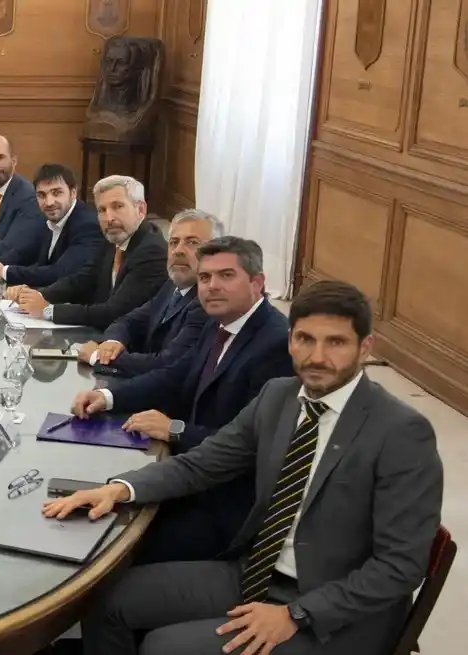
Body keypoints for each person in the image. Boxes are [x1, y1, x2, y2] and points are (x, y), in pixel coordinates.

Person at [46, 280, 443, 655]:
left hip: (335, 614)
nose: (317, 357)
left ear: (365, 347)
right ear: (291, 340)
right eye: (305, 339)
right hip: (255, 573)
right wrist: (118, 489)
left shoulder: (402, 432)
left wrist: (297, 615)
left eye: (336, 342)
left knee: (165, 647)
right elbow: (203, 463)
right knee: (104, 598)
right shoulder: (279, 396)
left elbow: (400, 566)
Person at [70, 236, 295, 563]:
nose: (212, 286)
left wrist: (176, 429)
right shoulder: (219, 321)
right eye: (205, 278)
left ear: (257, 283)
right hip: (187, 470)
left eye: (226, 276)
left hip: (223, 502)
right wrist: (106, 396)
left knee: (113, 543)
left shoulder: (275, 344)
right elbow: (176, 374)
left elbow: (250, 449)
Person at [6, 175, 167, 329]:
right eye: (102, 210)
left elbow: (114, 312)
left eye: (118, 206)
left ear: (141, 209)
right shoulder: (113, 238)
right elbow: (83, 280)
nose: (109, 218)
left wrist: (48, 311)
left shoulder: (151, 251)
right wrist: (36, 295)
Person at [77, 208, 219, 376]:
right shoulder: (172, 285)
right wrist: (113, 341)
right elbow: (129, 321)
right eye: (173, 242)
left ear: (215, 252)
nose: (178, 250)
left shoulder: (206, 301)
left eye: (192, 242)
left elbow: (166, 364)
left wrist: (97, 357)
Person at [0, 163, 103, 286]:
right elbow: (26, 251)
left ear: (73, 192)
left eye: (57, 193)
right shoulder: (46, 217)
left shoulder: (87, 225)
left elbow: (59, 273)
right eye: (42, 195)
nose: (49, 202)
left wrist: (4, 271)